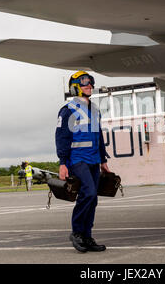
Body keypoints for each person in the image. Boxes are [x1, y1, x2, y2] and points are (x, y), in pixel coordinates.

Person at [55, 71, 110, 253]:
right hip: (77, 160)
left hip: (94, 160)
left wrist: (103, 159)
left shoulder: (94, 110)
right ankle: (77, 232)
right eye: (85, 83)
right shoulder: (68, 110)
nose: (90, 86)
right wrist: (63, 163)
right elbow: (62, 137)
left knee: (92, 199)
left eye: (91, 83)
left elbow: (99, 137)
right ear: (75, 87)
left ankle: (87, 236)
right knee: (89, 193)